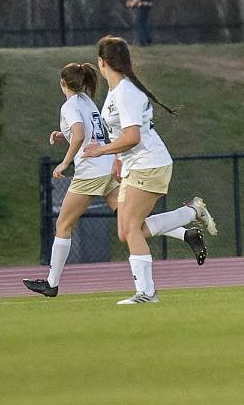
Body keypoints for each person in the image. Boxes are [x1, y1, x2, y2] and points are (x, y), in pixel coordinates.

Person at [23, 63, 207, 298]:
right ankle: (187, 227)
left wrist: (65, 162)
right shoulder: (87, 101)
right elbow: (86, 131)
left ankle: (51, 283)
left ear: (62, 83)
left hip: (89, 173)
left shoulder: (70, 105)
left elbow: (79, 134)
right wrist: (64, 134)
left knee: (63, 225)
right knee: (133, 223)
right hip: (107, 168)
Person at [83, 36, 218, 305]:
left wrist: (102, 151)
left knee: (132, 228)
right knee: (127, 232)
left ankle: (146, 293)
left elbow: (133, 136)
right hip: (137, 165)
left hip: (150, 164)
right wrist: (117, 158)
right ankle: (192, 211)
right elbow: (123, 132)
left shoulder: (125, 91)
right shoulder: (116, 89)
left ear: (102, 62)